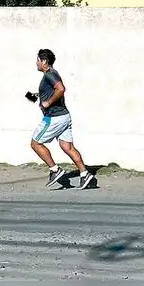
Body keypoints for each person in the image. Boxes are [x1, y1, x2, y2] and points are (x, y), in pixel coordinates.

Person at [25, 48, 94, 189]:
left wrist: (48, 103)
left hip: (54, 117)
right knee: (67, 147)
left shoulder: (49, 75)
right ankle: (85, 174)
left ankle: (55, 170)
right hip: (64, 116)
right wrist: (37, 96)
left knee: (35, 144)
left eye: (38, 60)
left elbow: (61, 89)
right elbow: (53, 91)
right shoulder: (52, 74)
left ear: (44, 61)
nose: (36, 63)